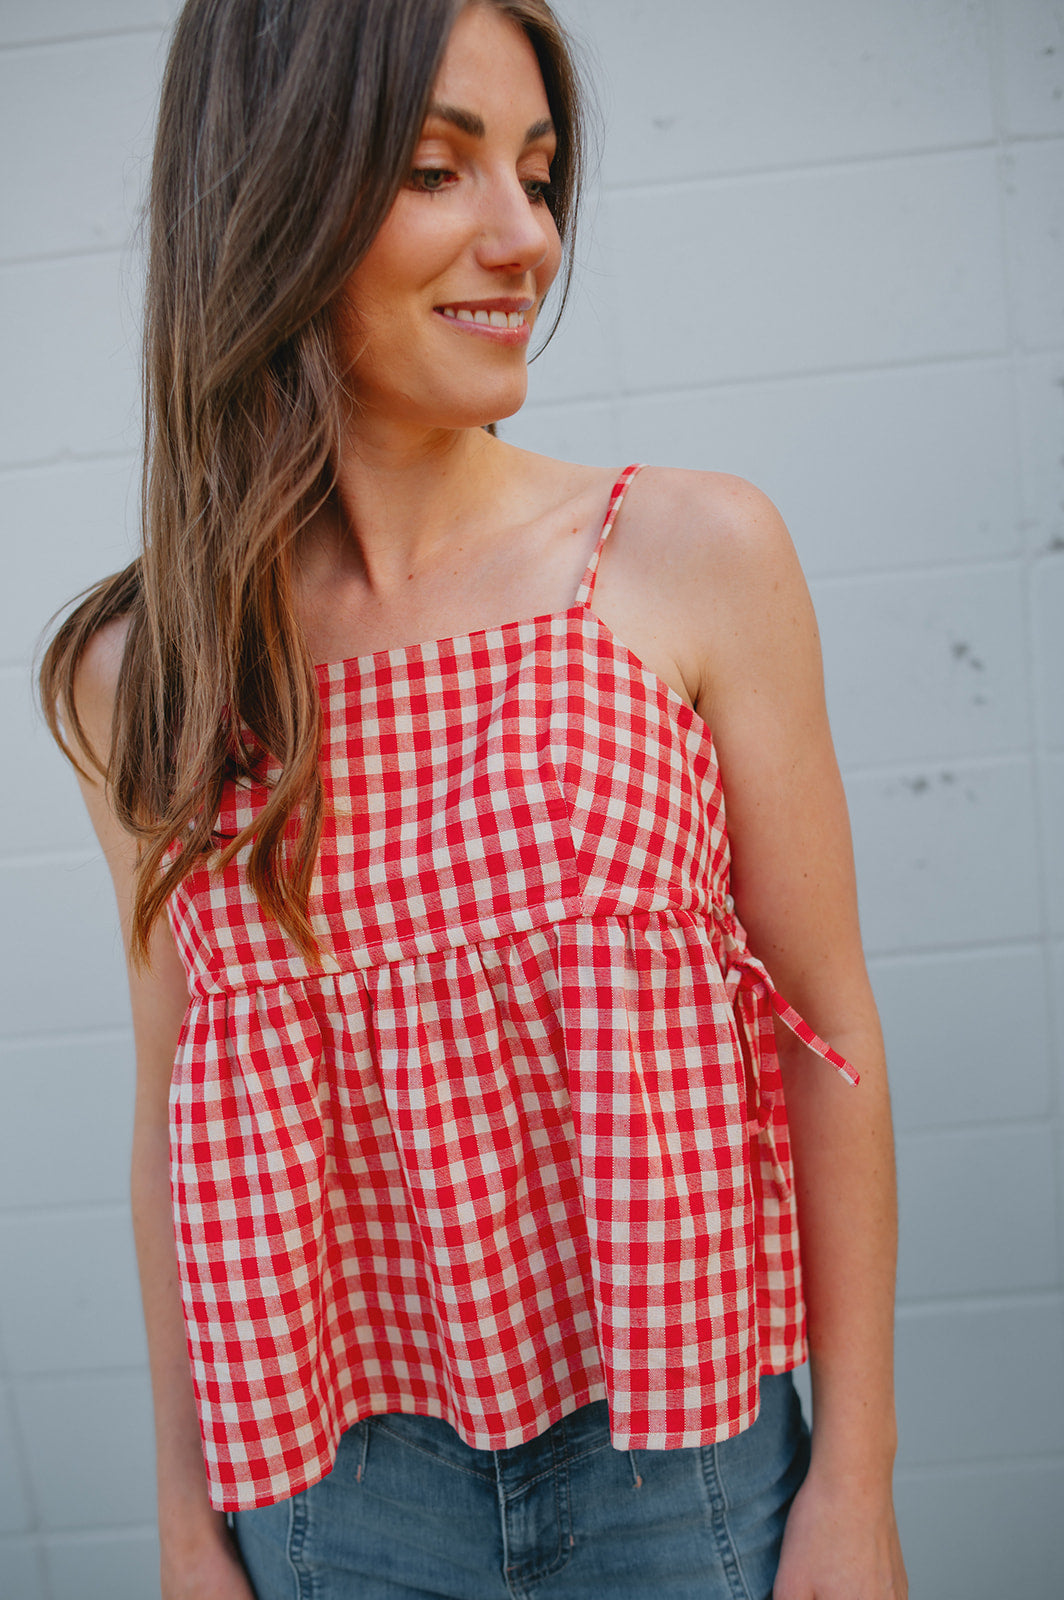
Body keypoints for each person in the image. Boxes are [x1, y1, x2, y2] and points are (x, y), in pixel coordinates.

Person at [39, 1, 907, 1596]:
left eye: (540, 173)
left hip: (685, 1469)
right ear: (272, 195)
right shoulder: (145, 670)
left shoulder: (688, 554)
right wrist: (183, 1524)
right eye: (439, 170)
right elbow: (178, 1112)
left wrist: (854, 1492)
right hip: (327, 1500)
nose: (528, 242)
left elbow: (827, 1033)